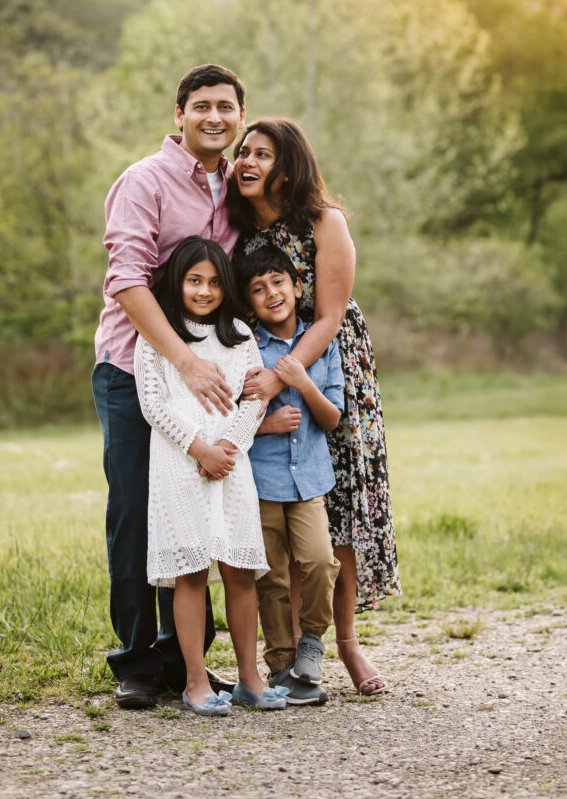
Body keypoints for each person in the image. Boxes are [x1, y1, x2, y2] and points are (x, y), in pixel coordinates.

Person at [229, 117, 402, 696]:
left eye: (262, 153)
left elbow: (328, 317)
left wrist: (283, 380)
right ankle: (287, 656)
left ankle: (346, 645)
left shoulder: (326, 221)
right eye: (242, 152)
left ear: (289, 164)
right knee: (278, 525)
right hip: (260, 374)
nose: (247, 161)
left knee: (342, 513)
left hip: (329, 367)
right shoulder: (236, 228)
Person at [92, 64, 246, 709]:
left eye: (226, 107)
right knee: (135, 511)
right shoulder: (144, 181)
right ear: (179, 115)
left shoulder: (240, 192)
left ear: (240, 117)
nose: (214, 116)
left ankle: (188, 663)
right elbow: (126, 280)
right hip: (135, 373)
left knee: (199, 515)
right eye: (202, 105)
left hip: (212, 382)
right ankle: (135, 661)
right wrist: (183, 360)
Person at [134, 237, 288, 715]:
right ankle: (196, 682)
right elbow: (153, 404)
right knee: (191, 573)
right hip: (180, 466)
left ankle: (249, 679)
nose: (204, 291)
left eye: (214, 282)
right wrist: (198, 447)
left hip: (231, 464)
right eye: (194, 281)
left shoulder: (240, 335)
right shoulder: (158, 337)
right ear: (177, 284)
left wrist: (228, 447)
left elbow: (256, 398)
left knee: (240, 571)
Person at [235, 245, 344, 705]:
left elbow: (332, 417)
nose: (271, 293)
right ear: (249, 302)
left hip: (309, 482)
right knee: (272, 575)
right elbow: (231, 418)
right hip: (261, 481)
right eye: (258, 289)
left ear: (298, 286)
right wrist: (265, 425)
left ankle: (313, 640)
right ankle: (280, 664)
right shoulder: (246, 350)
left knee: (319, 561)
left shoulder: (321, 345)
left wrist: (303, 383)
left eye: (279, 282)